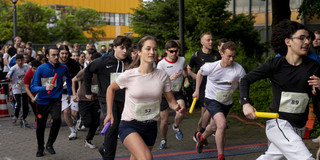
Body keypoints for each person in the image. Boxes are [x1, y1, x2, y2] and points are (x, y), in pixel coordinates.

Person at [240, 20, 319, 160]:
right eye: (301, 38)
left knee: (270, 158)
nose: (307, 42)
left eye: (308, 38)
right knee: (305, 158)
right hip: (278, 122)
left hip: (299, 125)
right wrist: (245, 103)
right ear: (288, 41)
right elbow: (245, 80)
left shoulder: (314, 66)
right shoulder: (275, 65)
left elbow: (316, 94)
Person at [104, 35, 185, 160]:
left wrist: (177, 107)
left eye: (154, 49)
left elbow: (171, 101)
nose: (152, 52)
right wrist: (109, 113)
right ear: (139, 52)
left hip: (151, 126)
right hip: (130, 125)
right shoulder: (129, 75)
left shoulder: (162, 76)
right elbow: (110, 89)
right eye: (148, 49)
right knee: (146, 158)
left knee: (136, 158)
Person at [193, 41, 246, 160]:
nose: (232, 59)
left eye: (234, 56)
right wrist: (197, 90)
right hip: (211, 99)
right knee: (221, 124)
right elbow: (200, 73)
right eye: (229, 56)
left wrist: (244, 99)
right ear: (221, 54)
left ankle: (201, 138)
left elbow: (244, 84)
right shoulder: (211, 66)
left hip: (226, 102)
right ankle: (221, 156)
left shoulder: (238, 69)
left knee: (213, 127)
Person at [84, 35, 132, 160]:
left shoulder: (130, 62)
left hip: (125, 99)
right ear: (114, 47)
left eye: (127, 48)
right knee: (112, 124)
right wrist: (88, 91)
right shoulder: (103, 61)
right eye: (122, 48)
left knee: (122, 127)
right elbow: (87, 71)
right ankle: (109, 157)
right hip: (106, 99)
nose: (125, 51)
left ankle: (106, 147)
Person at [31, 46, 72, 157]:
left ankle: (50, 144)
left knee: (57, 119)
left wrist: (69, 92)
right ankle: (40, 147)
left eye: (57, 54)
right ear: (47, 56)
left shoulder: (63, 68)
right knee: (41, 126)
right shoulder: (41, 69)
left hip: (55, 100)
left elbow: (69, 79)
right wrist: (44, 88)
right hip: (42, 101)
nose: (56, 57)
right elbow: (33, 87)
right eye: (53, 55)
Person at [187, 32, 221, 144]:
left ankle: (199, 133)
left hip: (213, 87)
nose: (211, 42)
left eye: (212, 39)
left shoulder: (217, 55)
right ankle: (201, 133)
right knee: (206, 109)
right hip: (201, 87)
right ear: (202, 42)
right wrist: (193, 76)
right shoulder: (196, 55)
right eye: (208, 40)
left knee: (206, 112)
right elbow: (188, 69)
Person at [156, 40, 188, 149]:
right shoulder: (161, 64)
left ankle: (176, 126)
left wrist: (186, 78)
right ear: (166, 51)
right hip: (164, 93)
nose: (174, 54)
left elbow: (184, 69)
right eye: (171, 51)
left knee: (181, 110)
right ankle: (164, 140)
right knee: (164, 121)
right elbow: (158, 82)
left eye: (176, 51)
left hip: (177, 92)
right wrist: (169, 79)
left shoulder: (182, 60)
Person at [72, 52, 101, 149]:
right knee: (88, 122)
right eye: (95, 62)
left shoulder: (101, 72)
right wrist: (74, 94)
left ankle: (88, 139)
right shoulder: (85, 71)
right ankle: (81, 120)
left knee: (96, 122)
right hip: (84, 99)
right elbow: (73, 80)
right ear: (91, 61)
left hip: (96, 99)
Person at [58, 45, 81, 140]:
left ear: (69, 54)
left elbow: (79, 77)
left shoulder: (74, 64)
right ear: (59, 54)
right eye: (62, 53)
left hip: (73, 91)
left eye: (66, 53)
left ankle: (79, 119)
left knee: (74, 113)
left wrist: (79, 88)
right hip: (62, 92)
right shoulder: (55, 64)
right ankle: (73, 131)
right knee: (66, 111)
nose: (64, 55)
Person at [6, 54, 31, 124]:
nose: (20, 62)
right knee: (19, 103)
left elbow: (33, 70)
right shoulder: (13, 68)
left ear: (24, 60)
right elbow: (8, 74)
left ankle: (23, 119)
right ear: (16, 61)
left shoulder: (27, 66)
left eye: (21, 60)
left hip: (25, 88)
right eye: (18, 61)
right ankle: (15, 116)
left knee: (26, 105)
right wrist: (8, 76)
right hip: (16, 88)